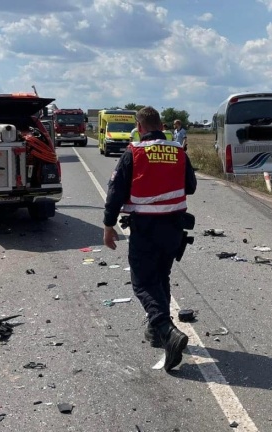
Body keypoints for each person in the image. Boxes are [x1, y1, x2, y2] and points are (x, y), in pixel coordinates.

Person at [103, 106, 198, 371]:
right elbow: (191, 186)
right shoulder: (178, 151)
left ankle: (166, 330)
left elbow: (115, 192)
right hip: (174, 227)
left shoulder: (133, 152)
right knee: (161, 276)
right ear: (162, 126)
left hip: (145, 227)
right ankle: (157, 333)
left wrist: (108, 225)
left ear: (139, 127)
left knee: (143, 282)